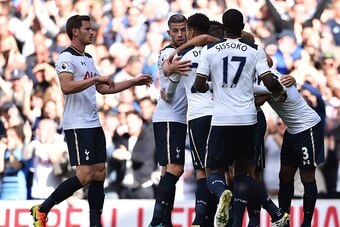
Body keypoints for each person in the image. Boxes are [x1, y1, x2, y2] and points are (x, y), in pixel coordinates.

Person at [30, 15, 152, 227]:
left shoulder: (87, 58)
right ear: (75, 32)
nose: (92, 31)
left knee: (99, 173)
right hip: (77, 125)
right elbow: (67, 86)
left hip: (94, 123)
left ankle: (95, 223)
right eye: (88, 28)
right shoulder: (65, 58)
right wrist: (95, 78)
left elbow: (103, 88)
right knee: (85, 175)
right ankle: (41, 209)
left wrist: (133, 82)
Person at [194, 9, 288, 227]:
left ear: (224, 28)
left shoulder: (211, 50)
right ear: (243, 27)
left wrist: (214, 85)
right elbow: (268, 80)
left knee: (213, 170)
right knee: (243, 173)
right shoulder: (254, 50)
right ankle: (261, 216)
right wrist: (278, 93)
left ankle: (222, 193)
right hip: (248, 119)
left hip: (222, 120)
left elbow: (198, 85)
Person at [253, 63, 325, 227]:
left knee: (307, 176)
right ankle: (283, 219)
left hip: (308, 127)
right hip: (292, 130)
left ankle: (306, 223)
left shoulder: (267, 77)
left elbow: (261, 98)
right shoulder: (259, 75)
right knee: (285, 175)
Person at [165, 13, 216, 227]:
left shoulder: (181, 57)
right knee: (223, 170)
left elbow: (169, 91)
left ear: (191, 32)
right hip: (221, 115)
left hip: (197, 117)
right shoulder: (216, 51)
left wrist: (166, 93)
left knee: (202, 170)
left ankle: (200, 219)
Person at [148, 13, 190, 227]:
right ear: (169, 33)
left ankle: (166, 221)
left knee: (167, 172)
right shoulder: (168, 51)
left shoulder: (189, 50)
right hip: (168, 118)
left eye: (183, 29)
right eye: (175, 31)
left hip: (178, 119)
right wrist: (170, 68)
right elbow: (166, 66)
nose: (180, 34)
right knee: (176, 169)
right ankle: (156, 221)